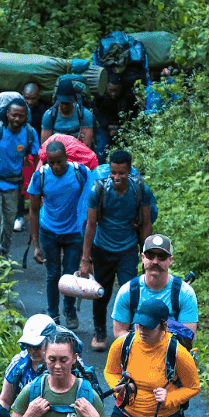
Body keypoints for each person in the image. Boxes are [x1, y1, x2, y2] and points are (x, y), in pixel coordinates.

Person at [78, 150, 153, 351]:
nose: (117, 177)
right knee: (102, 292)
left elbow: (146, 223)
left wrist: (146, 254)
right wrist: (86, 259)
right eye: (113, 173)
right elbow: (91, 225)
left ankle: (126, 334)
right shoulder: (99, 191)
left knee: (129, 291)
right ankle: (100, 331)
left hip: (128, 248)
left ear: (129, 171)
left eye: (121, 173)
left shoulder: (140, 190)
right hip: (102, 248)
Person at [29, 141, 92, 330]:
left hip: (74, 232)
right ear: (47, 160)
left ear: (66, 157)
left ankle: (70, 310)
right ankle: (53, 314)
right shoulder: (40, 176)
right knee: (52, 274)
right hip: (49, 231)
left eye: (59, 161)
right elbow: (33, 210)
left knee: (71, 275)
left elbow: (92, 203)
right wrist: (36, 244)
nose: (56, 166)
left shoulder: (79, 173)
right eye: (52, 162)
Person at [0, 99, 40, 258]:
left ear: (26, 116)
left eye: (21, 116)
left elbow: (37, 157)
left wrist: (37, 177)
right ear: (7, 114)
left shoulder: (29, 133)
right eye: (14, 115)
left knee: (10, 222)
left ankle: (3, 253)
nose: (17, 119)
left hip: (13, 183)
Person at [110, 233, 198, 341]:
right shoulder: (128, 291)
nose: (155, 261)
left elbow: (188, 336)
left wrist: (158, 323)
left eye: (161, 256)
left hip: (171, 354)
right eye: (150, 256)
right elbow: (119, 333)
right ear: (143, 258)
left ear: (170, 260)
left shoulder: (184, 294)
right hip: (137, 353)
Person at [14, 83, 49, 234]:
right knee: (20, 182)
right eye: (26, 98)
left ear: (38, 97)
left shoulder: (44, 110)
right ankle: (18, 215)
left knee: (41, 180)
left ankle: (42, 216)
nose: (29, 102)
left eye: (33, 99)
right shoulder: (16, 109)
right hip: (21, 150)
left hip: (38, 150)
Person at [92, 80, 139, 161]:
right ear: (106, 87)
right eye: (111, 90)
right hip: (104, 127)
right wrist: (107, 126)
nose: (113, 93)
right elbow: (96, 113)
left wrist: (121, 127)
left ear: (120, 88)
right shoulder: (100, 95)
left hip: (123, 127)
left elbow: (134, 114)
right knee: (101, 152)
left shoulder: (127, 96)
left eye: (116, 91)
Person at [40, 82, 94, 150]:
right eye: (62, 103)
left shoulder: (84, 114)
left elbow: (87, 145)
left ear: (73, 101)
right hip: (55, 153)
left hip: (77, 150)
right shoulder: (49, 115)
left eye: (67, 103)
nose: (65, 106)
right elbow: (45, 145)